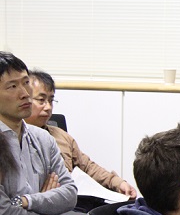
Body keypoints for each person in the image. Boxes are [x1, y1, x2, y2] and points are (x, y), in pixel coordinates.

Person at [25, 70, 137, 198]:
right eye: (41, 100)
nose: (48, 107)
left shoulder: (61, 136)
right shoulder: (16, 138)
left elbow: (88, 167)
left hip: (70, 200)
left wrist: (118, 183)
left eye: (51, 100)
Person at [0, 52, 77, 215]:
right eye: (12, 86)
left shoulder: (43, 138)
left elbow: (70, 194)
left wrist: (27, 201)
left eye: (26, 82)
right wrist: (47, 211)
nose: (25, 93)